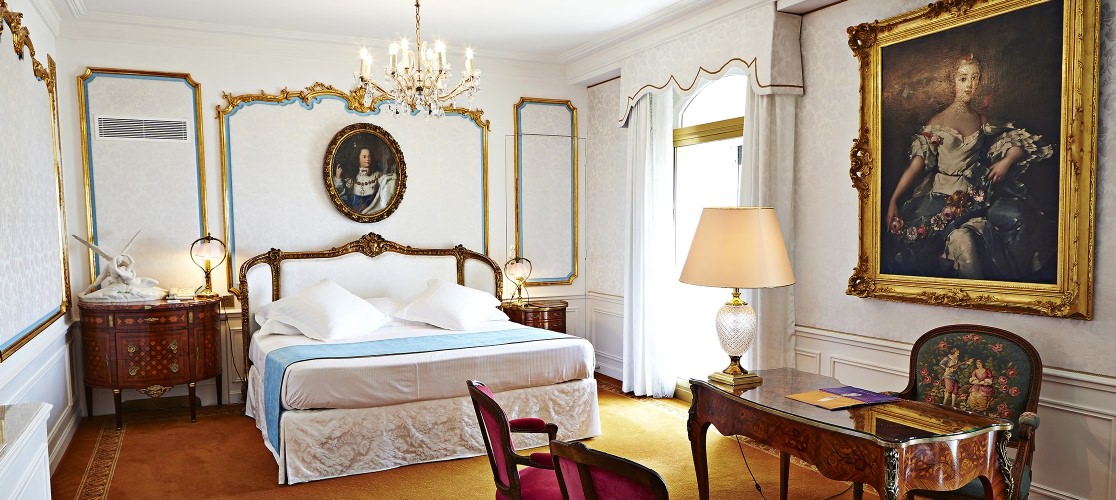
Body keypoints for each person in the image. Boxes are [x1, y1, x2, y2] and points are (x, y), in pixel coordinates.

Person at [885, 55, 1055, 281]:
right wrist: (894, 200)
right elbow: (916, 165)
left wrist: (1006, 161)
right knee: (949, 244)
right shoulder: (937, 122)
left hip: (978, 195)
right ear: (952, 82)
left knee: (1019, 216)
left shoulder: (982, 120)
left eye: (975, 78)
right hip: (942, 198)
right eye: (963, 78)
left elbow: (1016, 143)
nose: (970, 85)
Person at [334, 144, 383, 213]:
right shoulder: (350, 178)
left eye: (369, 156)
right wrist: (338, 177)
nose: (367, 159)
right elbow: (343, 197)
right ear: (358, 159)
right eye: (364, 157)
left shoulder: (378, 175)